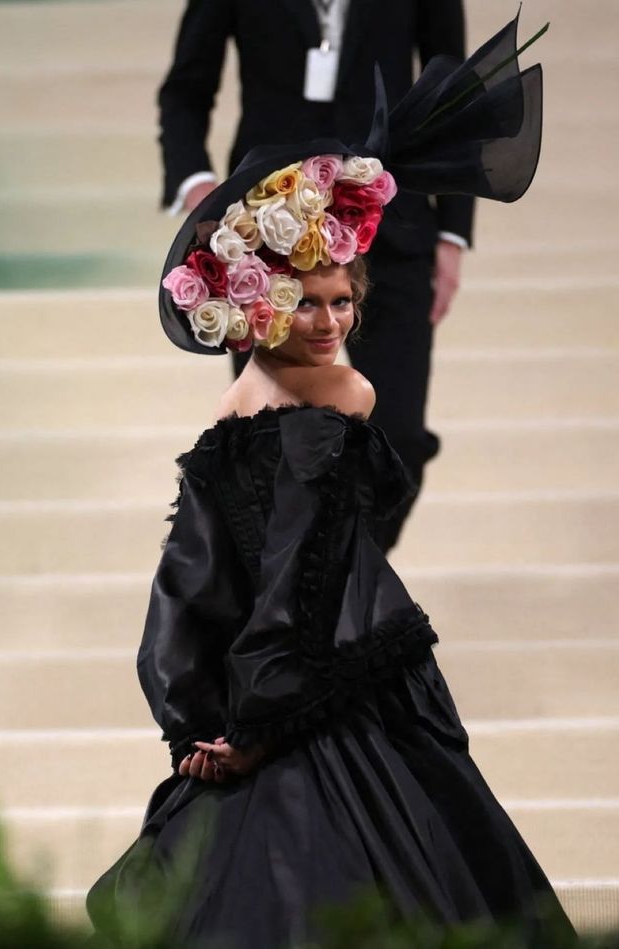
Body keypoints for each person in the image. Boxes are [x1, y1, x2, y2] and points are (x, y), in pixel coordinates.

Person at [88, 17, 570, 947]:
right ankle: (303, 645)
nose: (331, 320)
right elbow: (187, 82)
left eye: (338, 307)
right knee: (294, 464)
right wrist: (206, 194)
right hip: (256, 219)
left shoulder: (307, 391)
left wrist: (448, 231)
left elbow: (453, 78)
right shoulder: (295, 375)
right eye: (320, 308)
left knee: (336, 459)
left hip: (382, 215)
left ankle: (303, 639)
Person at [157, 0, 475, 550]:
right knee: (269, 442)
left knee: (397, 437)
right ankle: (295, 597)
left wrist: (452, 233)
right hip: (265, 239)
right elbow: (186, 88)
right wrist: (197, 185)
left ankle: (331, 584)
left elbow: (454, 94)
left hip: (389, 228)